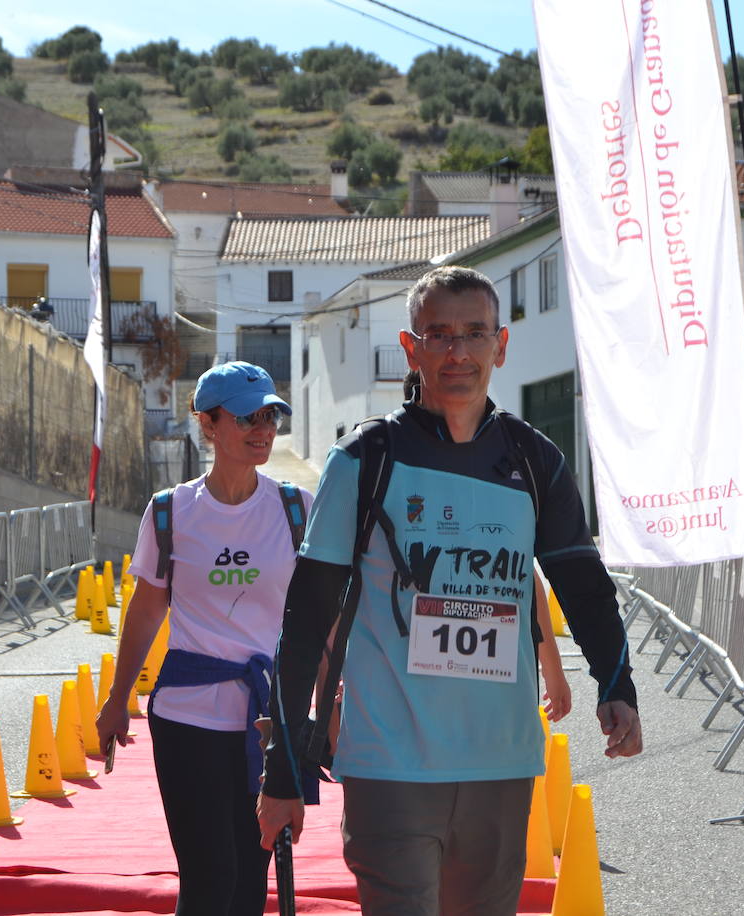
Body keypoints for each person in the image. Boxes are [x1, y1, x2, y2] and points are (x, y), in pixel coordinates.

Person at [258, 266, 642, 916]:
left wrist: (616, 684)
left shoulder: (534, 460)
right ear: (411, 348)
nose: (457, 352)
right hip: (390, 762)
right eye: (439, 336)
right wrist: (283, 764)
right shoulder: (363, 461)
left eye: (474, 334)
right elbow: (306, 618)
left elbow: (580, 580)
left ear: (501, 344)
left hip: (503, 760)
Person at [97, 361, 313, 916]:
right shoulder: (171, 511)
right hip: (187, 720)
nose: (262, 428)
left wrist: (338, 699)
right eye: (246, 418)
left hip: (267, 720)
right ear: (208, 425)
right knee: (210, 877)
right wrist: (118, 700)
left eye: (270, 415)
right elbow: (146, 611)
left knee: (249, 881)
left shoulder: (295, 510)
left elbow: (324, 615)